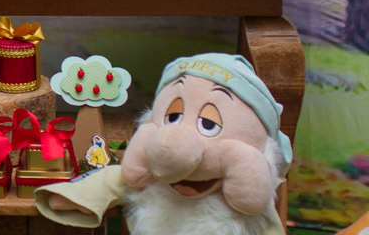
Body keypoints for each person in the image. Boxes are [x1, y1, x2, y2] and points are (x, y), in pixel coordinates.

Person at [35, 53, 291, 235]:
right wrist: (69, 197)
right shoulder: (154, 182)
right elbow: (106, 181)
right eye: (173, 117)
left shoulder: (254, 215)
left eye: (209, 124)